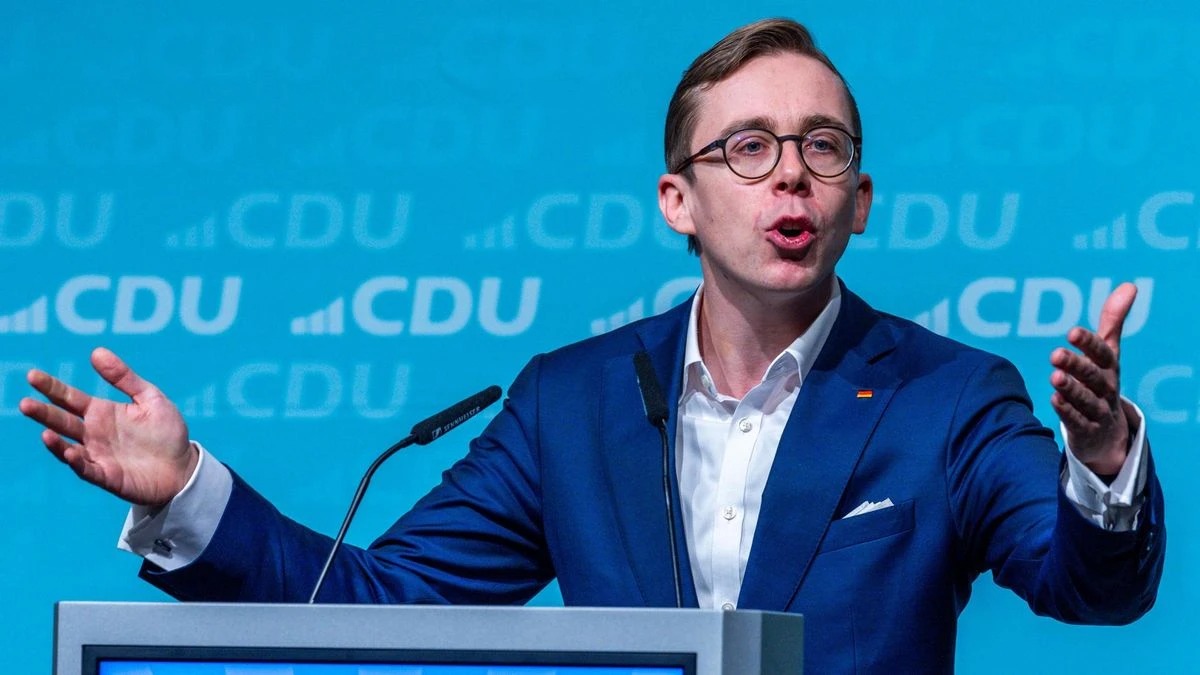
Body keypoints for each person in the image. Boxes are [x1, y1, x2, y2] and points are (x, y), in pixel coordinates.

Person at [21, 18, 1163, 673]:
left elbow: (1091, 587)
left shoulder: (948, 397)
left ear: (859, 201)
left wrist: (1104, 458)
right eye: (749, 148)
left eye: (822, 147)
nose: (790, 176)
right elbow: (382, 603)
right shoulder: (570, 406)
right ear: (678, 200)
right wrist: (188, 490)